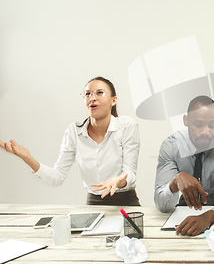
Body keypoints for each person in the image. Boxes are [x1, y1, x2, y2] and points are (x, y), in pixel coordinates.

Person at [0, 77, 141, 206]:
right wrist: (28, 158)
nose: (92, 98)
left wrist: (119, 181)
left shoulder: (127, 126)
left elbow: (130, 173)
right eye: (88, 94)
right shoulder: (74, 132)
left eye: (99, 93)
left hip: (126, 203)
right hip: (93, 204)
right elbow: (57, 177)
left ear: (113, 100)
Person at [154, 95, 214, 236]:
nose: (205, 132)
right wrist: (174, 183)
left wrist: (207, 217)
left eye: (212, 125)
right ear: (186, 120)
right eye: (198, 124)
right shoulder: (171, 146)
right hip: (186, 212)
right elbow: (162, 205)